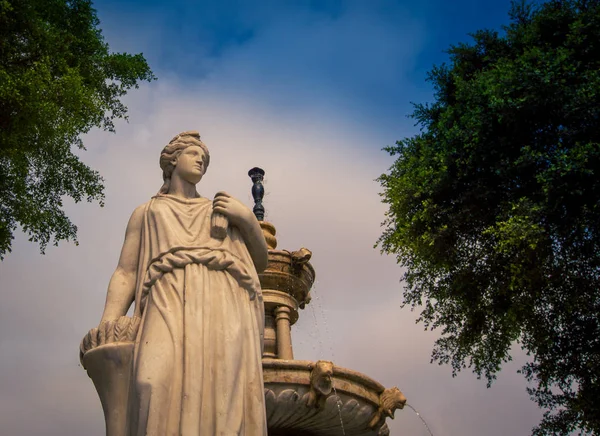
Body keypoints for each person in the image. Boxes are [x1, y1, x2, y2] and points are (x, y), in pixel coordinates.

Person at [98, 131, 269, 436]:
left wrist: (245, 218)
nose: (201, 159)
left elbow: (261, 261)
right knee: (149, 382)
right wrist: (108, 322)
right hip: (166, 299)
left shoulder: (218, 211)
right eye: (194, 153)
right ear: (173, 160)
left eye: (205, 158)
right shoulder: (147, 212)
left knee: (222, 393)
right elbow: (126, 272)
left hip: (221, 303)